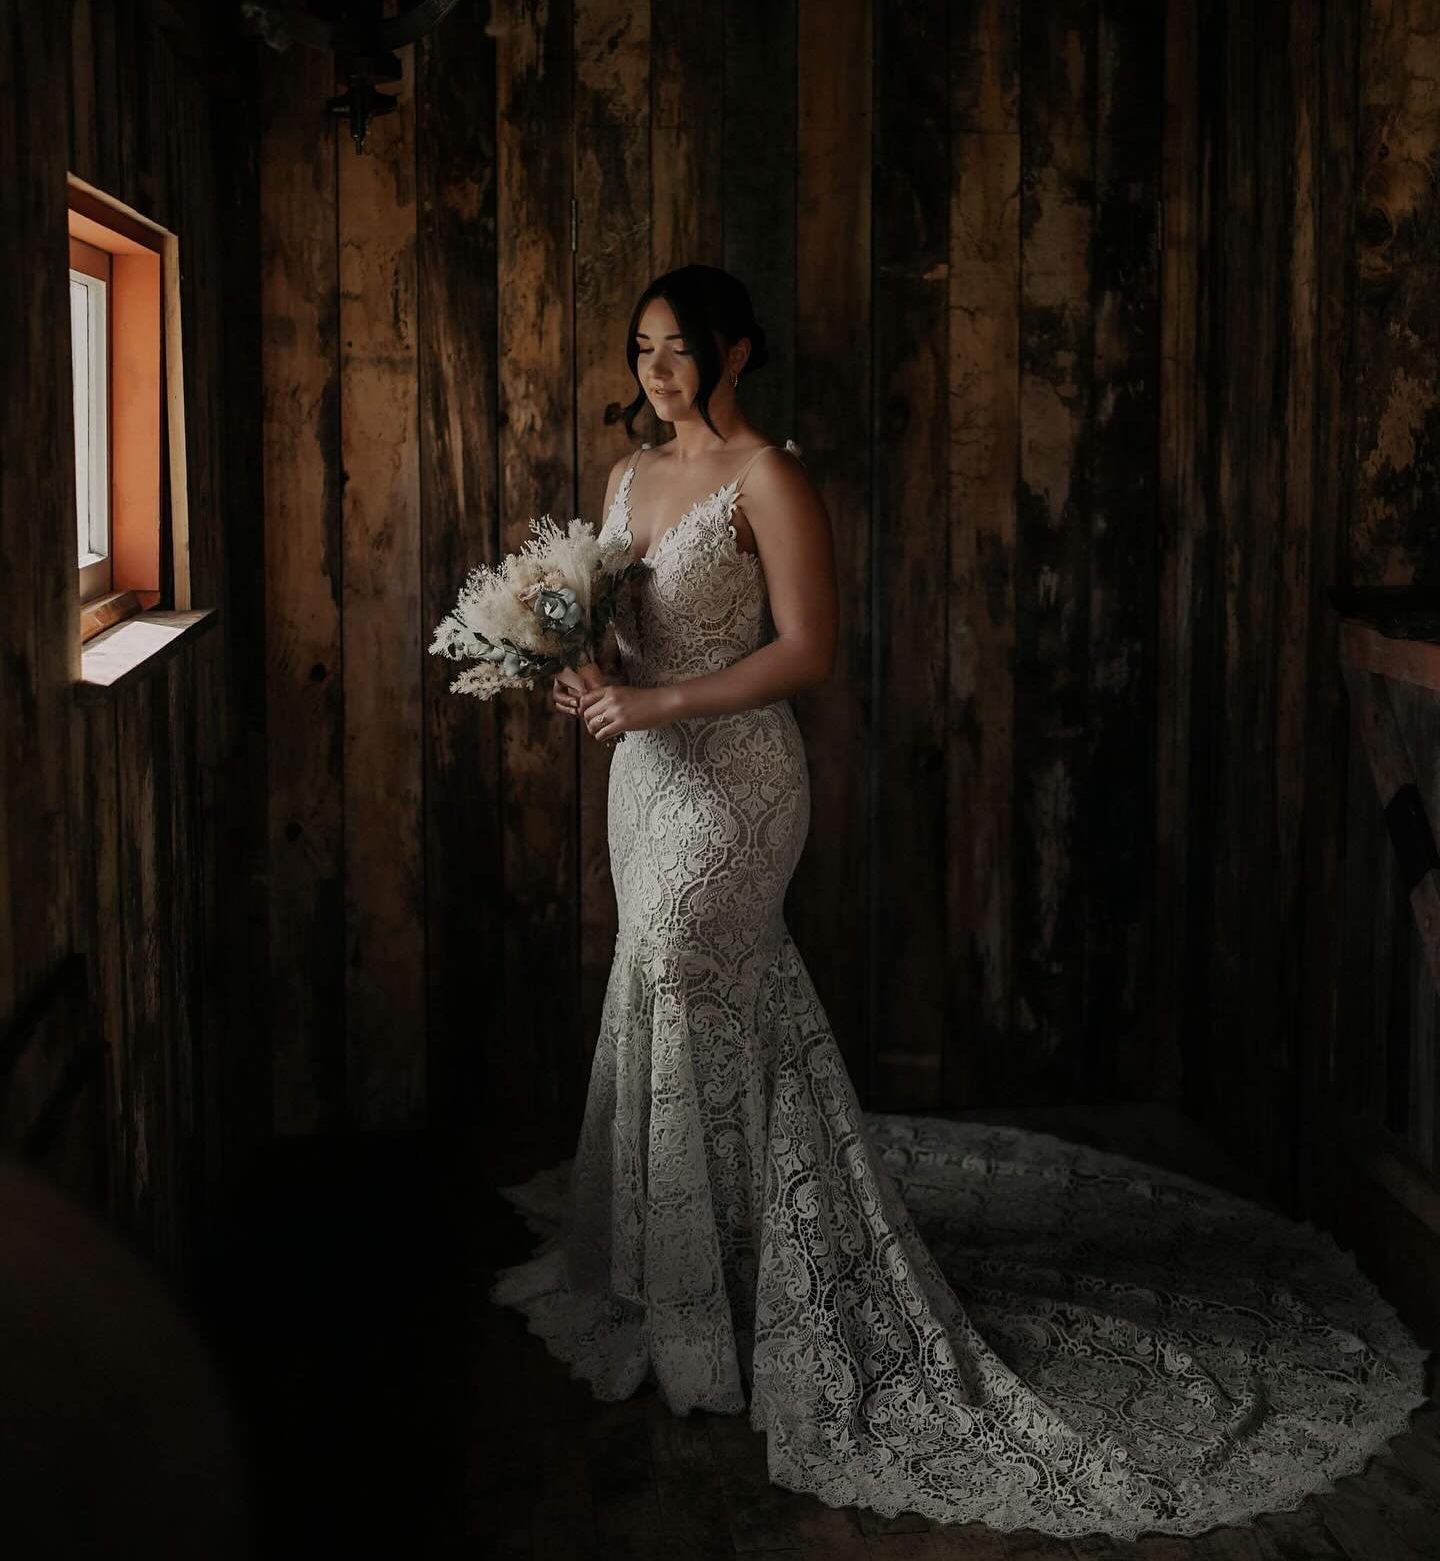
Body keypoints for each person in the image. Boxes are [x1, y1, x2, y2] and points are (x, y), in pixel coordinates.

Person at [488, 263, 1430, 1540]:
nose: (656, 371)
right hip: (641, 781)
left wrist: (655, 701)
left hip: (739, 785)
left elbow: (807, 651)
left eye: (680, 349)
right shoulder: (627, 478)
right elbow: (625, 627)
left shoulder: (769, 479)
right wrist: (584, 672)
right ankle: (684, 1273)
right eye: (642, 347)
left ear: (739, 353)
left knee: (696, 967)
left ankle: (745, 1299)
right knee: (663, 989)